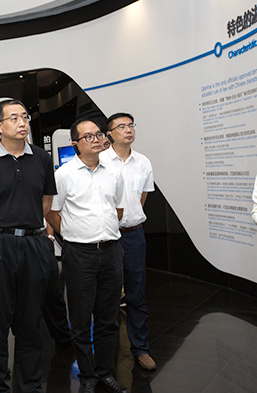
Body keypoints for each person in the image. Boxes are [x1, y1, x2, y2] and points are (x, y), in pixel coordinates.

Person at [0, 99, 56, 393]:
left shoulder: (41, 158)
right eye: (14, 118)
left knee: (30, 318)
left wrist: (24, 225)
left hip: (33, 243)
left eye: (25, 117)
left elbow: (46, 202)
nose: (22, 123)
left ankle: (31, 384)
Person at [46, 119, 128, 393]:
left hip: (111, 251)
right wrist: (72, 235)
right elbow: (52, 212)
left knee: (108, 318)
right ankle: (87, 375)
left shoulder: (114, 172)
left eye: (99, 134)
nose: (96, 140)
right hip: (79, 254)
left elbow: (118, 209)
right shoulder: (64, 175)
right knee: (81, 321)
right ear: (75, 145)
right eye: (89, 136)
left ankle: (105, 372)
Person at [100, 113, 156, 371]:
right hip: (106, 235)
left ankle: (141, 348)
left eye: (131, 125)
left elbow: (141, 197)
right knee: (106, 294)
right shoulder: (100, 160)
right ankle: (105, 351)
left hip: (133, 234)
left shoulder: (143, 162)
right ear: (109, 133)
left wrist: (130, 218)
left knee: (136, 293)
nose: (128, 130)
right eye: (121, 126)